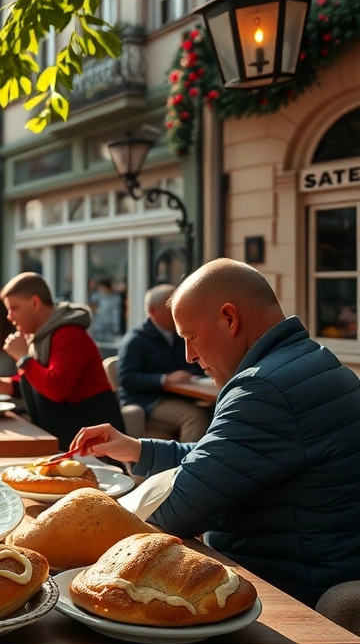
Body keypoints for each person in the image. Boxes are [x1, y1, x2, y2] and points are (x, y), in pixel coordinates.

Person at [72, 258, 360, 606]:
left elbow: (181, 512)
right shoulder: (312, 362)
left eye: (190, 337)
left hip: (281, 594)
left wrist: (95, 514)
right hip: (316, 570)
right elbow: (222, 457)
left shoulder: (265, 388)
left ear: (229, 318)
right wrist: (137, 450)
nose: (189, 355)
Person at [0, 272, 124, 449]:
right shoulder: (41, 336)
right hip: (66, 438)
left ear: (35, 303)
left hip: (93, 447)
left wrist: (24, 359)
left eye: (14, 308)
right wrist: (6, 385)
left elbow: (57, 389)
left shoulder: (69, 334)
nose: (9, 316)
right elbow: (41, 380)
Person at [117, 284, 209, 442]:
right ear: (153, 311)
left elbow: (192, 366)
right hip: (146, 401)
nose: (178, 312)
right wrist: (164, 379)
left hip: (179, 396)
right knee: (195, 416)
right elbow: (127, 378)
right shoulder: (135, 340)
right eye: (171, 308)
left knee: (215, 409)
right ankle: (189, 458)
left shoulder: (179, 336)